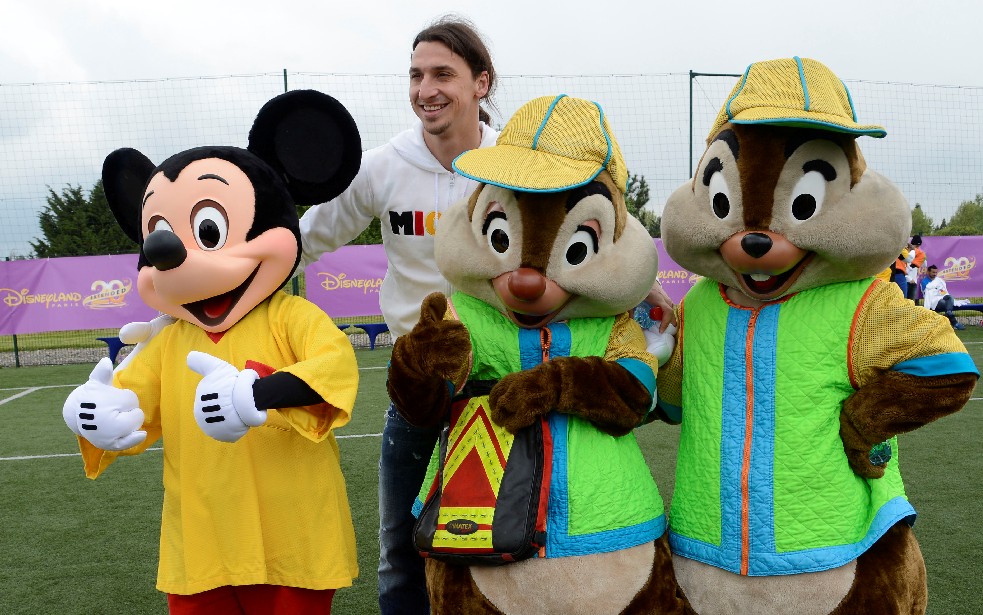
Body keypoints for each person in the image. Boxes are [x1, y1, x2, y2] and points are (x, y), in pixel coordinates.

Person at [298, 16, 676, 614]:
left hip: (506, 392)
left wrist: (646, 292)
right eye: (417, 75)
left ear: (482, 82)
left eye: (443, 74)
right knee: (402, 546)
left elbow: (582, 235)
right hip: (425, 385)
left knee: (513, 551)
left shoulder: (514, 161)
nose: (427, 89)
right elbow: (307, 238)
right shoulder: (382, 166)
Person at [923, 264, 965, 329]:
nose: (935, 274)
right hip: (933, 300)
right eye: (933, 272)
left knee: (950, 297)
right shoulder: (924, 281)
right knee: (945, 303)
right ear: (928, 272)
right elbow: (928, 292)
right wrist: (937, 290)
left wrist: (938, 290)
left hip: (941, 297)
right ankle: (954, 322)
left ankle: (948, 313)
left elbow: (943, 291)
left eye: (936, 272)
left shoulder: (939, 280)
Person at [905, 234, 926, 301]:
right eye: (916, 246)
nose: (917, 248)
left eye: (919, 246)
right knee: (904, 301)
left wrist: (922, 257)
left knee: (911, 302)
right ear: (912, 245)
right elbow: (902, 268)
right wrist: (908, 278)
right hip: (906, 281)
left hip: (914, 282)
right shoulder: (906, 253)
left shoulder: (919, 254)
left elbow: (924, 265)